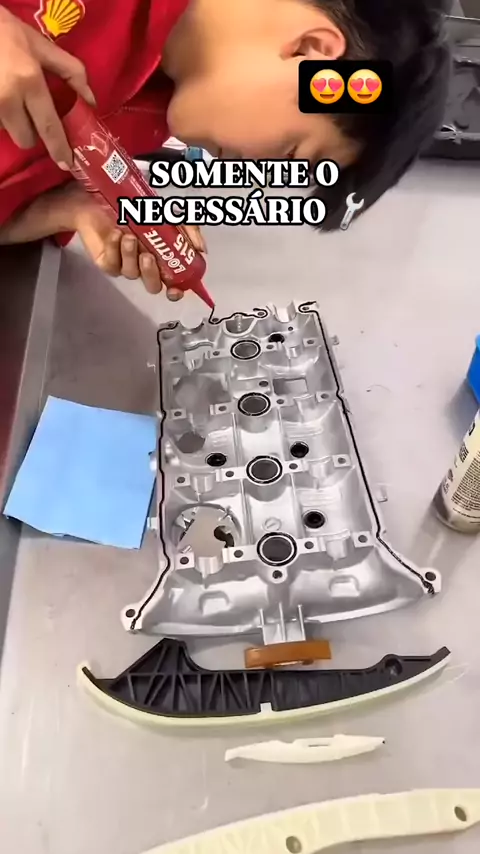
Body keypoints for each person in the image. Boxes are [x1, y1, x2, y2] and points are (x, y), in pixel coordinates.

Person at [0, 0, 450, 299]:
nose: (256, 171)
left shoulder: (148, 118)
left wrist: (60, 209)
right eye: (290, 154)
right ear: (310, 52)